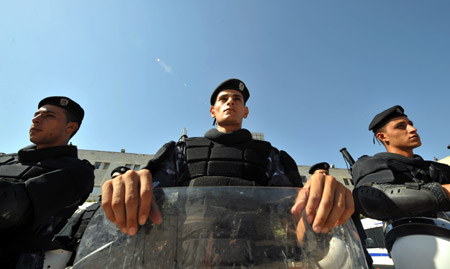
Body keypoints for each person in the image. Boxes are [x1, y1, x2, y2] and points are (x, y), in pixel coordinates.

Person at [102, 78, 354, 240]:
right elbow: (146, 200)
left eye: (237, 99)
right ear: (212, 111)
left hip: (259, 254)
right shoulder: (181, 151)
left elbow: (294, 209)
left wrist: (322, 195)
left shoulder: (269, 156)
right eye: (223, 99)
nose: (230, 101)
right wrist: (124, 183)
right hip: (186, 252)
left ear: (245, 111)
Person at [0, 96, 95, 268]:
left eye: (49, 116)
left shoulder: (77, 172)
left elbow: (11, 206)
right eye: (36, 114)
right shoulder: (6, 159)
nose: (36, 119)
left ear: (70, 127)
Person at [353, 105, 450, 221]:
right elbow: (372, 199)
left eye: (411, 124)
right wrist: (442, 192)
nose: (412, 129)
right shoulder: (370, 164)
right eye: (401, 126)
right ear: (382, 137)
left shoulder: (438, 168)